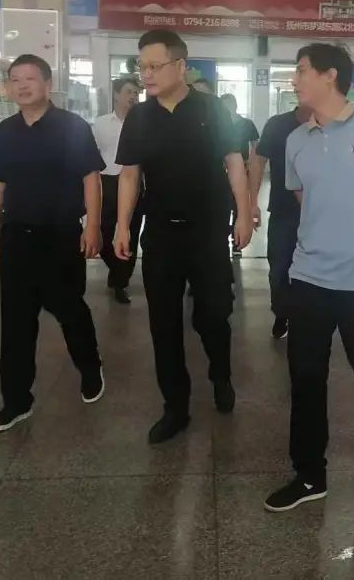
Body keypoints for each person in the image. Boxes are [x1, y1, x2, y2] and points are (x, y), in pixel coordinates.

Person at [264, 43, 354, 513]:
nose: (294, 79)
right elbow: (305, 200)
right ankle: (310, 474)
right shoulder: (296, 140)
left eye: (302, 70)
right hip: (309, 275)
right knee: (305, 375)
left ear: (330, 76)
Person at [114, 30, 254, 444]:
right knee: (163, 323)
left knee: (213, 314)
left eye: (154, 66)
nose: (146, 74)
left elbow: (234, 163)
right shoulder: (140, 117)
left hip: (208, 231)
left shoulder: (211, 108)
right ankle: (175, 406)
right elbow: (129, 174)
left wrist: (244, 214)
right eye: (141, 67)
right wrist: (122, 225)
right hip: (160, 233)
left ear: (180, 66)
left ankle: (220, 374)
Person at [0, 54, 106, 433]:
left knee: (69, 309)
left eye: (30, 78)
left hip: (61, 235)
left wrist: (93, 226)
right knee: (16, 322)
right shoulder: (5, 131)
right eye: (15, 79)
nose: (22, 86)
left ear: (47, 84)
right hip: (17, 236)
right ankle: (16, 401)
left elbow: (91, 179)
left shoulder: (72, 127)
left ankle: (90, 367)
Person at [249, 103, 312, 340]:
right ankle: (282, 313)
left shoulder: (331, 125)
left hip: (321, 213)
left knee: (314, 271)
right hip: (283, 210)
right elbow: (258, 161)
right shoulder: (278, 125)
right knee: (279, 269)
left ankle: (309, 317)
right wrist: (252, 202)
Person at [93, 77, 143, 305]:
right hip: (107, 182)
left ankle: (121, 282)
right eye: (129, 92)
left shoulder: (142, 123)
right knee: (103, 232)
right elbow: (92, 154)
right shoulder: (100, 124)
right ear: (116, 94)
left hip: (134, 183)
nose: (133, 96)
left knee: (130, 233)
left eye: (136, 93)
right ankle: (116, 269)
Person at [220, 93, 259, 259]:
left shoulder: (246, 124)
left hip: (242, 169)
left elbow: (256, 144)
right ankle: (221, 239)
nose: (227, 108)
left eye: (230, 104)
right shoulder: (218, 124)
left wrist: (251, 161)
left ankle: (236, 243)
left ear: (235, 105)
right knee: (223, 206)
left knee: (239, 205)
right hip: (221, 171)